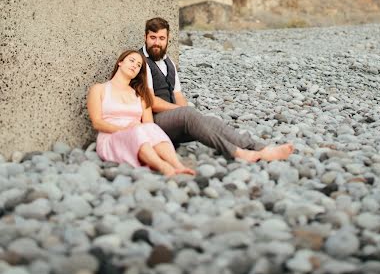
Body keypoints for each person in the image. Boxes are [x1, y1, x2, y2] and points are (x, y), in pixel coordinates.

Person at [141, 17, 294, 162]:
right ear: (145, 37)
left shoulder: (169, 63)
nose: (157, 43)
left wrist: (186, 114)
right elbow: (151, 102)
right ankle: (238, 153)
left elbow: (177, 94)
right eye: (153, 38)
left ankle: (260, 148)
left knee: (211, 121)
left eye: (161, 38)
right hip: (154, 123)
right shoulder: (140, 62)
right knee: (189, 114)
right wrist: (182, 112)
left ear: (168, 39)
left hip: (173, 121)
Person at [87, 49, 195, 176]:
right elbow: (97, 123)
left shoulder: (141, 95)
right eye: (131, 61)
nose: (134, 65)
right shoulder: (99, 89)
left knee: (151, 128)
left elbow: (149, 125)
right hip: (111, 136)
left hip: (138, 134)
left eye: (138, 65)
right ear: (120, 63)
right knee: (137, 132)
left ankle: (178, 165)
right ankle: (164, 166)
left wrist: (137, 129)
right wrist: (124, 129)